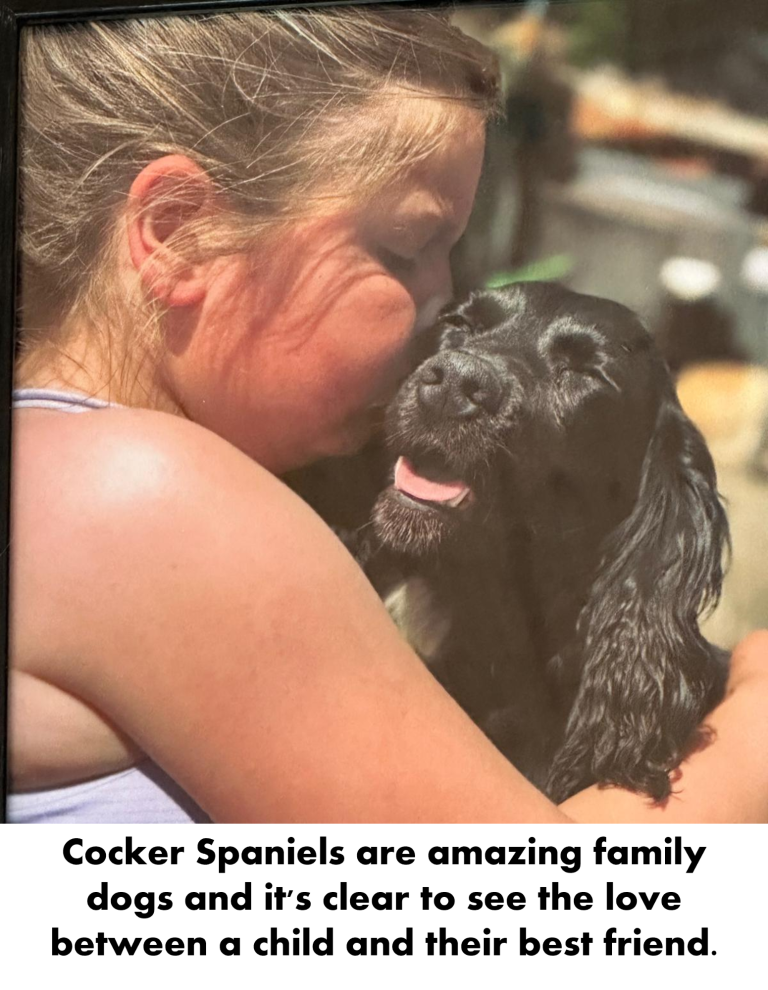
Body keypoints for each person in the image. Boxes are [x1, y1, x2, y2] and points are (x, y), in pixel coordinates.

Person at [7, 8, 768, 824]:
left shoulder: (53, 456)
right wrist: (758, 710)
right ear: (180, 233)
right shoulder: (147, 499)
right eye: (403, 250)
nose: (438, 307)